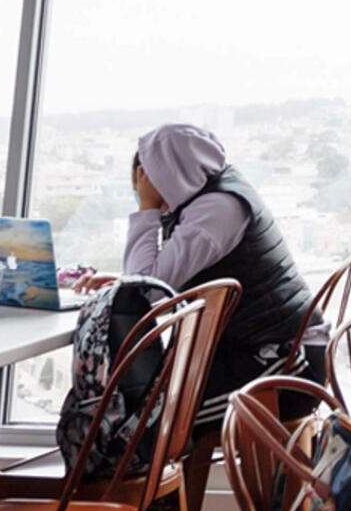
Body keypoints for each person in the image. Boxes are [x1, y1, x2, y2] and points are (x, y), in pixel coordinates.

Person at [92, 123, 329, 416]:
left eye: (146, 182)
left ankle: (117, 461)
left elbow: (145, 293)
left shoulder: (216, 210)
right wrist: (126, 281)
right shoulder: (212, 194)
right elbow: (155, 282)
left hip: (286, 364)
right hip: (263, 347)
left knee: (145, 416)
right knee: (130, 408)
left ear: (165, 175)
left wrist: (147, 209)